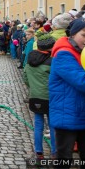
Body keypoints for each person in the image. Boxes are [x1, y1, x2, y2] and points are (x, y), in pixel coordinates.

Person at [49, 17, 85, 169]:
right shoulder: (63, 54)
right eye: (84, 35)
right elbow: (83, 82)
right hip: (67, 116)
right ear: (73, 35)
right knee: (63, 161)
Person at [23, 32, 56, 162]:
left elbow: (25, 78)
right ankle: (54, 153)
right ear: (50, 47)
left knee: (38, 125)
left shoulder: (30, 59)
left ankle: (38, 152)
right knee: (52, 125)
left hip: (35, 96)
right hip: (50, 97)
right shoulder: (52, 61)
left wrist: (33, 87)